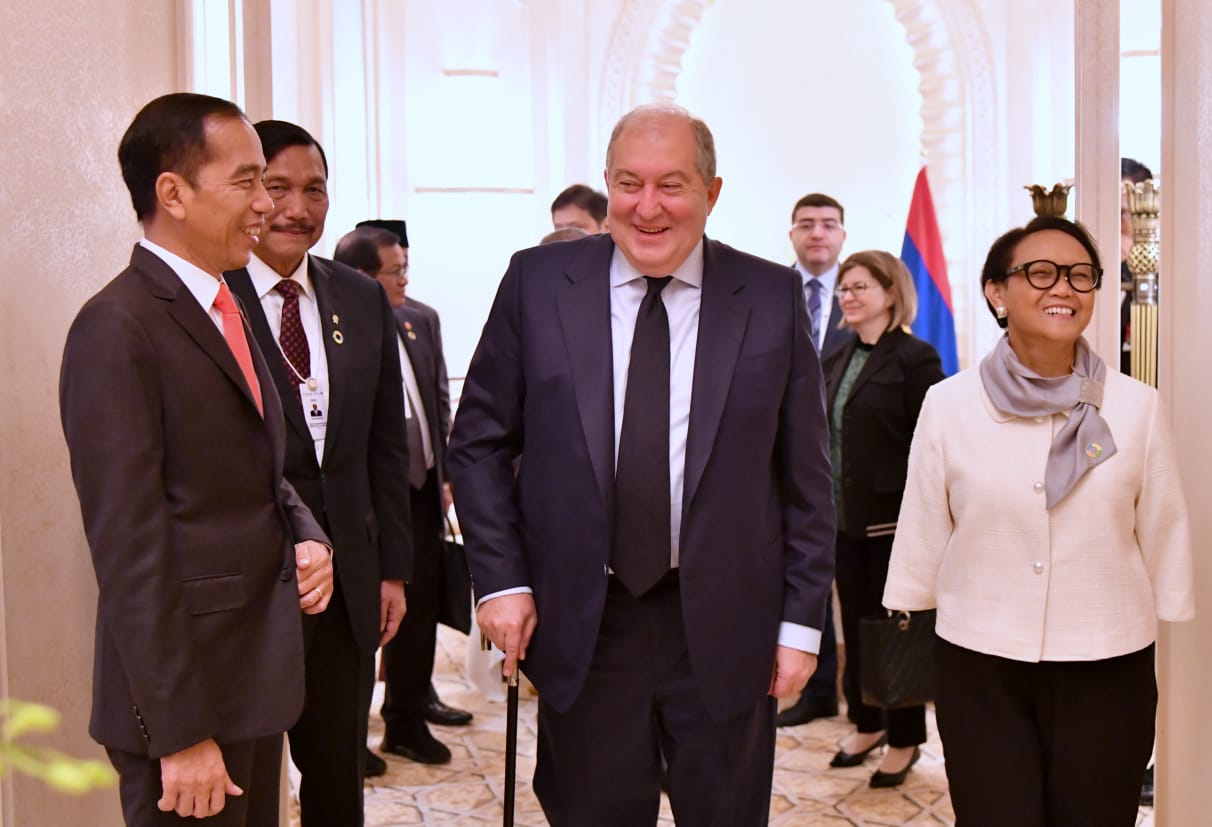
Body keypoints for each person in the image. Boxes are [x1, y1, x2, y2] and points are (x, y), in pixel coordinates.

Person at [448, 103, 835, 825]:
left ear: (712, 192)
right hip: (585, 621)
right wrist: (500, 580)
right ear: (606, 184)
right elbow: (478, 443)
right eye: (629, 183)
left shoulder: (771, 297)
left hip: (727, 629)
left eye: (672, 185)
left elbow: (806, 479)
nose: (647, 207)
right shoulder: (538, 283)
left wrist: (800, 626)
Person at [59, 92, 333, 826]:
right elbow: (129, 549)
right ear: (172, 193)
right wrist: (179, 733)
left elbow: (257, 466)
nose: (266, 206)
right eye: (247, 182)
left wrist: (305, 530)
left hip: (251, 678)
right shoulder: (117, 328)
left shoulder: (225, 306)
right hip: (188, 705)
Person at [884, 216, 1194, 825]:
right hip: (980, 659)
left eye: (1081, 275)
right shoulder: (948, 404)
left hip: (1109, 659)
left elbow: (1164, 523)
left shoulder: (1136, 405)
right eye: (1041, 273)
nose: (1065, 288)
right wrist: (909, 603)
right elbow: (923, 520)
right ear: (998, 292)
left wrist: (1175, 605)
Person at [223, 121, 413, 825]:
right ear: (247, 191)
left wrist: (392, 567)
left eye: (315, 189)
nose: (297, 208)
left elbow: (384, 447)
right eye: (277, 188)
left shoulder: (359, 298)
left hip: (349, 585)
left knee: (337, 773)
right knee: (248, 782)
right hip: (251, 587)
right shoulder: (214, 296)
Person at [335, 221, 472, 767]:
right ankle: (348, 736)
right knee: (363, 619)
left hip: (420, 493)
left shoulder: (420, 320)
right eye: (396, 272)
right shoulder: (338, 323)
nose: (405, 281)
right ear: (363, 276)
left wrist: (444, 473)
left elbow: (436, 398)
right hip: (365, 499)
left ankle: (407, 721)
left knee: (417, 611)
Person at [820, 251, 943, 787]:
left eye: (860, 286)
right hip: (844, 521)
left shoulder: (916, 358)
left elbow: (934, 442)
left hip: (896, 523)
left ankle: (904, 737)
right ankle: (866, 722)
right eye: (843, 287)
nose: (848, 295)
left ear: (890, 293)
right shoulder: (836, 357)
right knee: (858, 624)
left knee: (895, 631)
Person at [777, 191, 854, 728]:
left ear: (843, 235)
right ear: (792, 234)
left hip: (845, 468)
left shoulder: (864, 294)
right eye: (807, 224)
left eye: (828, 224)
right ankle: (815, 687)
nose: (817, 234)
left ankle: (865, 700)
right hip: (779, 464)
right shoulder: (769, 295)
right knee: (798, 576)